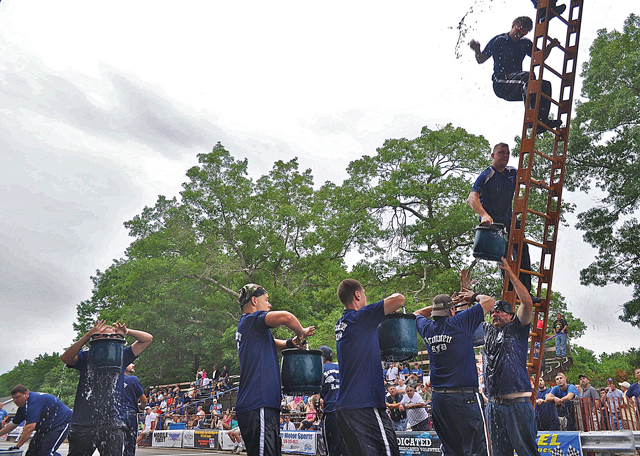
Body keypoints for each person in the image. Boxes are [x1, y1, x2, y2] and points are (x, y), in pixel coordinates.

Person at [235, 283, 314, 456]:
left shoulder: (250, 328)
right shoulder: (252, 320)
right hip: (258, 402)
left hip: (261, 404)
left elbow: (274, 346)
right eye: (267, 300)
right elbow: (287, 317)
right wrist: (301, 332)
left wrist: (292, 343)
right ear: (254, 300)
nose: (269, 305)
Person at [416, 283, 494, 456]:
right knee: (478, 448)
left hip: (439, 400)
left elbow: (416, 314)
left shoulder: (427, 328)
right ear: (452, 311)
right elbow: (489, 301)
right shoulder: (460, 322)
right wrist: (472, 297)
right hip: (464, 397)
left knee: (451, 450)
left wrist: (437, 307)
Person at [60, 319, 153, 456]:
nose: (109, 339)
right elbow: (66, 358)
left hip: (112, 422)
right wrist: (87, 336)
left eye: (112, 336)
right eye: (104, 335)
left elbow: (147, 339)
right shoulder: (86, 357)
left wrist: (127, 331)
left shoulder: (121, 356)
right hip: (83, 423)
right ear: (95, 338)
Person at [334, 279, 405, 456]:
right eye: (364, 294)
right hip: (365, 404)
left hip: (346, 407)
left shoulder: (342, 324)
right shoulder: (361, 317)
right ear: (357, 295)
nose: (365, 298)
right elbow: (399, 299)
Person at [481, 257, 537, 456]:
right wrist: (469, 298)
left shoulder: (517, 329)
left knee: (527, 452)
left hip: (517, 405)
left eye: (501, 311)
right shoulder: (487, 331)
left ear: (511, 316)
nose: (495, 313)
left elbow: (528, 302)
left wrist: (511, 275)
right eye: (493, 312)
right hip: (494, 406)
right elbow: (467, 319)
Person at [470, 16, 562, 133]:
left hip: (518, 85)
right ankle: (531, 120)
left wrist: (550, 46)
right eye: (519, 30)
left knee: (544, 85)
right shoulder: (499, 40)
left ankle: (542, 120)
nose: (520, 35)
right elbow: (481, 59)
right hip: (501, 83)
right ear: (513, 25)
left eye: (524, 33)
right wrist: (477, 50)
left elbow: (540, 57)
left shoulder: (525, 43)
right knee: (528, 78)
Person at [468, 142, 539, 295]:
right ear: (493, 155)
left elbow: (525, 179)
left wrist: (537, 183)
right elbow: (472, 198)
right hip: (493, 223)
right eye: (501, 153)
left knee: (522, 247)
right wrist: (483, 215)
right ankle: (508, 289)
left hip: (509, 219)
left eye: (507, 153)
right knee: (504, 255)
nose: (505, 156)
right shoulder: (486, 175)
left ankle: (526, 291)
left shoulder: (512, 172)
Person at [0, 385, 72, 456]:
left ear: (26, 394)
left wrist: (17, 446)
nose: (15, 400)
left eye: (17, 397)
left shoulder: (34, 402)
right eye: (13, 398)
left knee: (46, 452)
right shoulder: (23, 408)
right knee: (32, 452)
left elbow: (30, 428)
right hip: (44, 427)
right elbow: (12, 424)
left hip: (61, 423)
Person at [319, 345, 348, 456]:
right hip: (345, 411)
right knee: (346, 447)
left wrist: (318, 408)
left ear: (322, 357)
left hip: (331, 411)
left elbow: (316, 397)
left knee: (332, 448)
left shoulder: (320, 370)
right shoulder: (341, 367)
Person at [123, 363, 146, 456]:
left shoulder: (113, 379)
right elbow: (144, 399)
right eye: (130, 363)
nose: (133, 365)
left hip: (115, 414)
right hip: (130, 413)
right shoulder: (133, 379)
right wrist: (142, 406)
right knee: (130, 444)